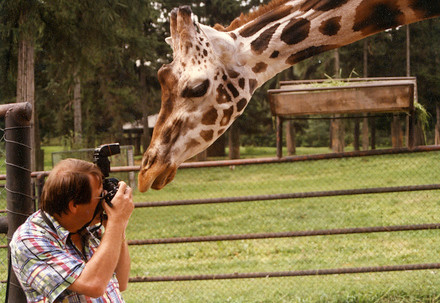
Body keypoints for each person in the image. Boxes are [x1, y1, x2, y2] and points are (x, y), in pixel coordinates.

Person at [10, 158, 134, 302]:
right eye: (100, 195)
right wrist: (116, 221)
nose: (104, 200)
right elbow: (93, 285)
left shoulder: (87, 227)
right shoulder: (30, 240)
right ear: (73, 205)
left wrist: (118, 227)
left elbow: (121, 280)